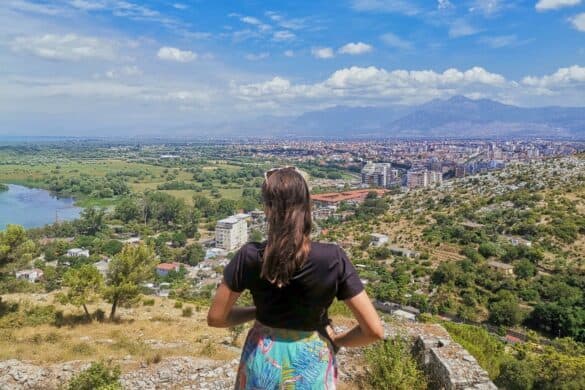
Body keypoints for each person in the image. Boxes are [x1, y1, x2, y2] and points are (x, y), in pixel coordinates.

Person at [208, 166, 383, 389]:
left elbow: (216, 318)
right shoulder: (331, 258)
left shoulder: (249, 256)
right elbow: (374, 331)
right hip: (310, 361)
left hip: (262, 359)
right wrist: (338, 340)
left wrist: (258, 312)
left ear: (267, 209)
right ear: (307, 206)